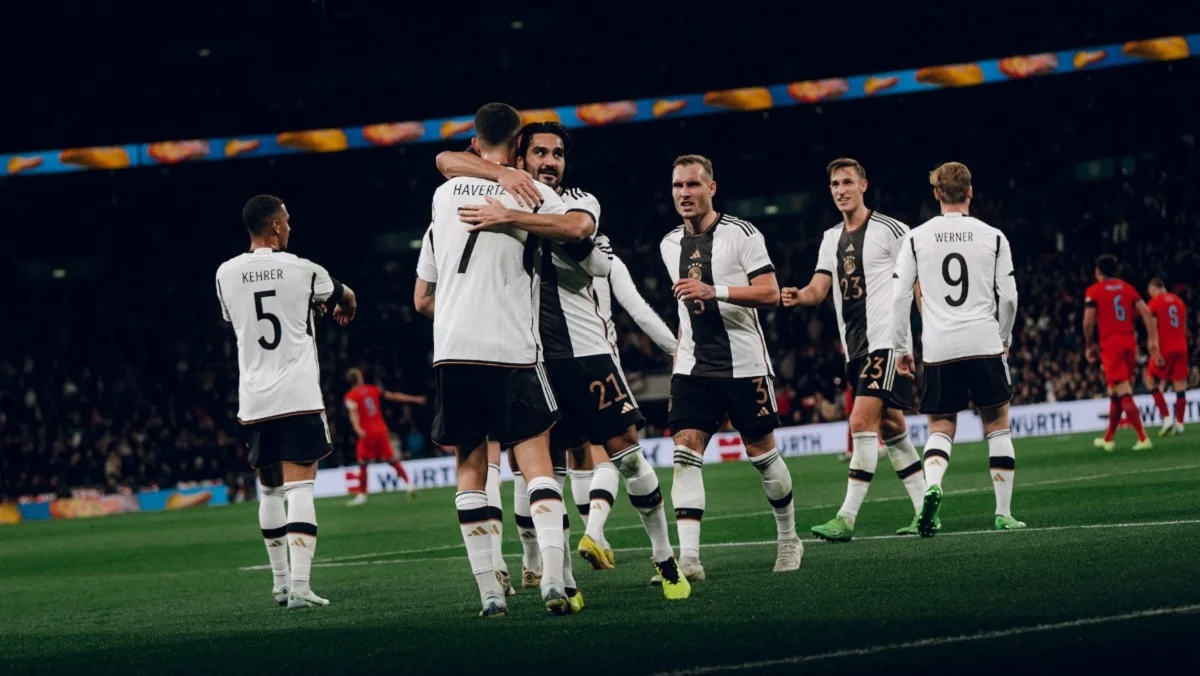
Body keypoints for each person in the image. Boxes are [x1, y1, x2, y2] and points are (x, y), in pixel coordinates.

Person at [439, 121, 689, 601]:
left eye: (557, 153)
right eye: (540, 152)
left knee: (627, 454)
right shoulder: (495, 194)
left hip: (587, 356)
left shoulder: (576, 200)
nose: (550, 161)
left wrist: (509, 217)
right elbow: (446, 160)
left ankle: (665, 559)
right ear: (519, 157)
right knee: (542, 472)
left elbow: (588, 245)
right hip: (530, 358)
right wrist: (502, 187)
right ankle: (559, 577)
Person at [660, 154, 801, 580]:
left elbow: (770, 293)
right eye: (678, 185)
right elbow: (685, 310)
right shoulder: (669, 244)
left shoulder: (742, 234)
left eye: (692, 184)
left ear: (712, 188)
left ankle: (789, 539)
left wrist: (714, 290)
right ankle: (689, 559)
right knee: (685, 453)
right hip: (693, 367)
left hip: (744, 364)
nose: (684, 193)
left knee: (762, 454)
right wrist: (678, 358)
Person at [215, 194, 357, 609]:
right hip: (297, 394)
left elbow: (236, 319)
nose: (290, 227)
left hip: (255, 397)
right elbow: (345, 296)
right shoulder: (304, 269)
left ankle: (279, 584)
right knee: (300, 488)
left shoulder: (225, 273)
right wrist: (341, 306)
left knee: (271, 490)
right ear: (276, 226)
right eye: (288, 220)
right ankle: (300, 586)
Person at [782, 158, 930, 541]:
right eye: (835, 184)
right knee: (892, 426)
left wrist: (928, 328)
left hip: (886, 342)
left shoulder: (892, 230)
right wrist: (798, 295)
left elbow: (916, 280)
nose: (841, 190)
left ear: (864, 185)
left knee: (861, 422)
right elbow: (819, 289)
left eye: (847, 182)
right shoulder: (830, 238)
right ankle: (925, 508)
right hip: (855, 350)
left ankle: (846, 517)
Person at [891, 162, 1025, 536]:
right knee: (997, 425)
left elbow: (899, 296)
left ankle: (933, 485)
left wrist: (903, 348)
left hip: (939, 346)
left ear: (936, 193)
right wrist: (1004, 338)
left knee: (940, 426)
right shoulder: (993, 236)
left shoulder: (916, 238)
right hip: (983, 341)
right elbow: (1009, 298)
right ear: (970, 192)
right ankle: (1003, 513)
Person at [1083, 254, 1159, 451]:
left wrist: (1089, 345)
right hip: (1129, 342)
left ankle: (1143, 438)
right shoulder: (1127, 288)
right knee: (1114, 390)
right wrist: (1152, 339)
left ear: (1098, 272)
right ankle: (1108, 439)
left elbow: (1088, 322)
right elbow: (1146, 312)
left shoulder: (1094, 291)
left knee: (1123, 390)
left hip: (1111, 345)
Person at [342, 367, 426, 505]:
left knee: (363, 462)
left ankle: (362, 495)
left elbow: (353, 413)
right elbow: (393, 396)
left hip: (367, 431)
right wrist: (415, 399)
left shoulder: (350, 396)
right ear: (359, 378)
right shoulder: (373, 389)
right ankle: (409, 485)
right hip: (381, 429)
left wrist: (357, 428)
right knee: (391, 459)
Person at [1144, 278, 1188, 436]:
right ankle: (1180, 424)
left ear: (1153, 289)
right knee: (1180, 386)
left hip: (1165, 348)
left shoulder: (1154, 303)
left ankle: (1167, 418)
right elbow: (1183, 327)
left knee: (1150, 380)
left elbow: (1153, 328)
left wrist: (1155, 351)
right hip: (1181, 347)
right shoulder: (1179, 302)